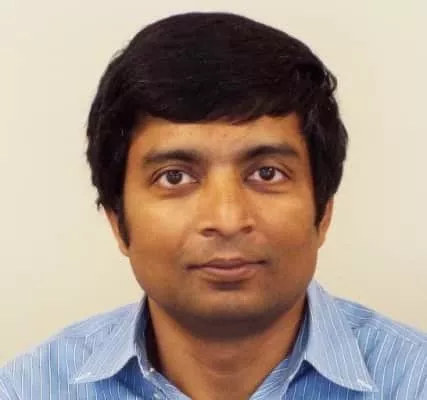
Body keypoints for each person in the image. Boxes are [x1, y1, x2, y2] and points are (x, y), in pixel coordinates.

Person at [1, 11, 426, 400]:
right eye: (174, 177)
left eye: (267, 173)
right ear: (117, 220)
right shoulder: (29, 390)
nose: (227, 219)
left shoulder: (413, 381)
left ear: (324, 211)